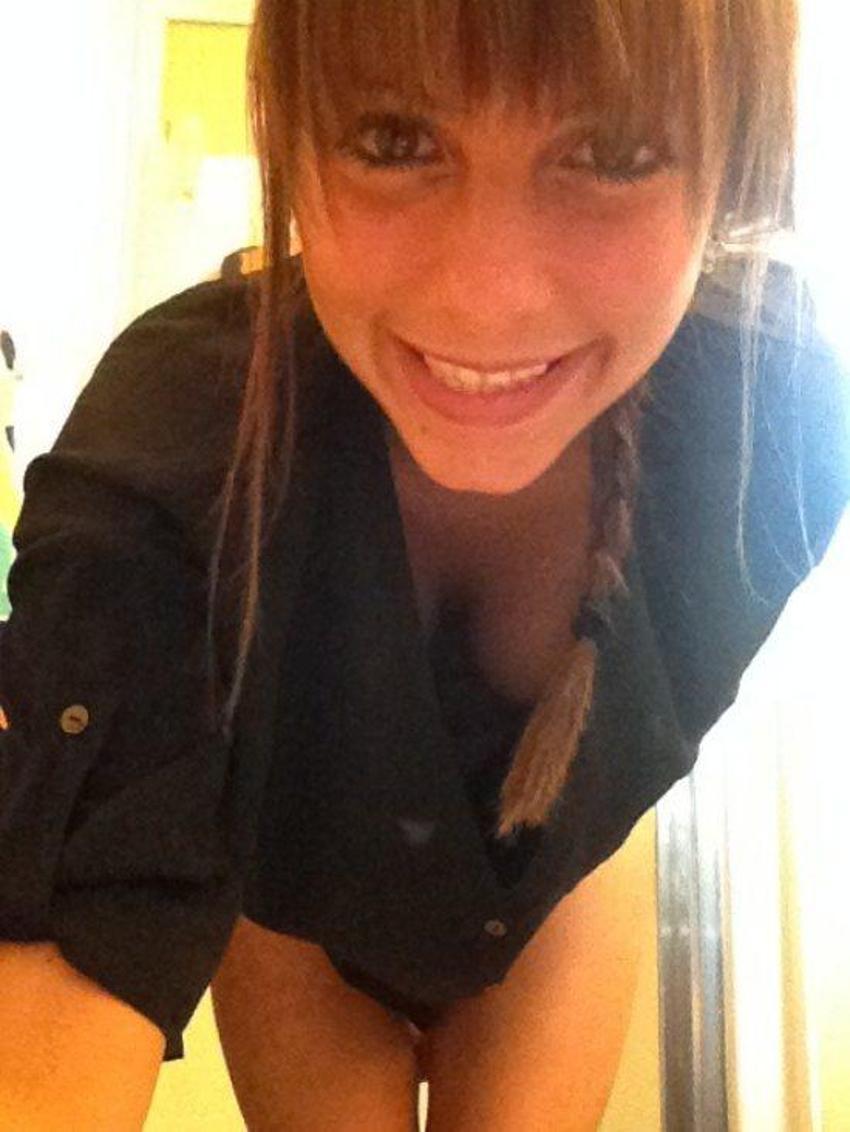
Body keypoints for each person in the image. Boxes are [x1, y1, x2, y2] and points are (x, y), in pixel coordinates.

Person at [1, 2, 848, 1129]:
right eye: (394, 141)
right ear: (291, 132)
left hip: (555, 890)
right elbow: (64, 955)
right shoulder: (178, 439)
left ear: (732, 153)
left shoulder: (772, 431)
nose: (486, 297)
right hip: (290, 925)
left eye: (611, 152)